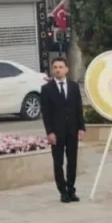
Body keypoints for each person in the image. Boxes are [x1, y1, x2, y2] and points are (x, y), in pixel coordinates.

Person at [39, 57, 86, 203]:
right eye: (55, 67)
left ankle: (71, 189)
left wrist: (81, 127)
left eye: (60, 67)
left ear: (66, 69)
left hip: (72, 130)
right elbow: (46, 113)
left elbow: (79, 108)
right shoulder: (46, 89)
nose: (58, 70)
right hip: (57, 133)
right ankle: (63, 191)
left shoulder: (73, 86)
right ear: (52, 70)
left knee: (72, 161)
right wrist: (50, 132)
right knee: (58, 162)